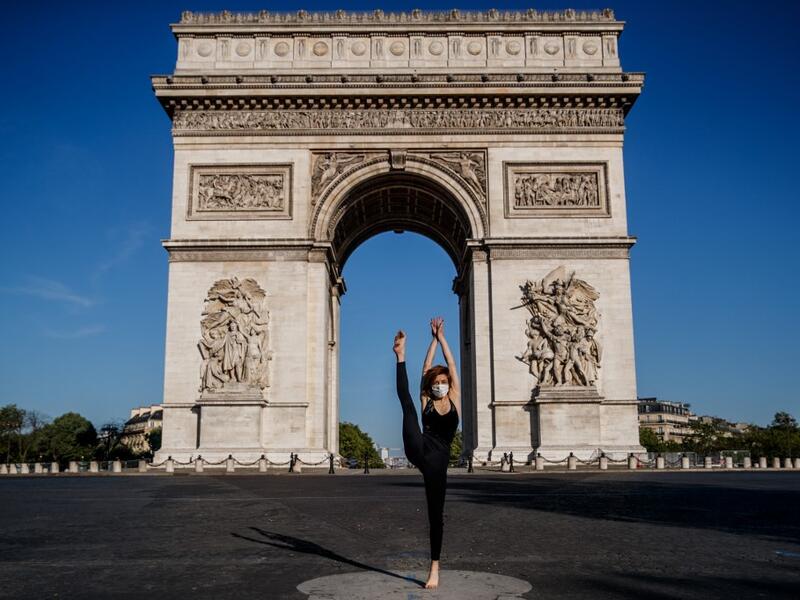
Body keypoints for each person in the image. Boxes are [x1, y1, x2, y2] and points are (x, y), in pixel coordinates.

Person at [393, 316, 461, 589]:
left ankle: (434, 568)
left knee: (436, 516)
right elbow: (425, 369)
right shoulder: (427, 398)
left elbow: (452, 365)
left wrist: (441, 338)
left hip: (438, 464)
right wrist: (429, 343)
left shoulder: (454, 397)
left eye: (443, 381)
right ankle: (399, 357)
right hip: (419, 447)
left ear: (448, 383)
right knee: (407, 405)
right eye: (436, 381)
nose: (439, 384)